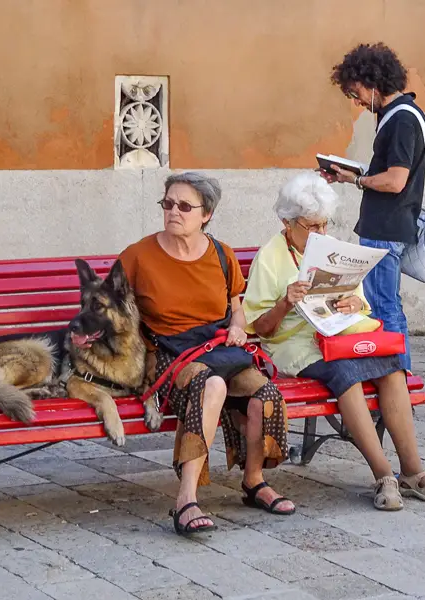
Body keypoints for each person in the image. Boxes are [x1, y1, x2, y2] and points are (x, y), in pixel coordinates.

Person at [243, 172, 425, 510]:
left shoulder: (329, 247)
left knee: (392, 368)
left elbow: (358, 300)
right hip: (295, 343)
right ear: (287, 222)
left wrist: (354, 303)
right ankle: (383, 474)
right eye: (312, 227)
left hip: (339, 335)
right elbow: (261, 329)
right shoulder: (270, 256)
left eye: (324, 225)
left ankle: (413, 471)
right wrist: (286, 302)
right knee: (347, 376)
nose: (321, 233)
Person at [119, 172, 295, 536]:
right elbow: (113, 311)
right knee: (210, 386)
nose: (173, 212)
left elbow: (237, 306)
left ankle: (254, 481)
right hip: (170, 353)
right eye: (168, 204)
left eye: (184, 206)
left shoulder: (221, 253)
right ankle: (185, 499)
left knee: (264, 393)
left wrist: (236, 326)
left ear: (206, 214)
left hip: (219, 348)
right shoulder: (137, 256)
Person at [320, 42, 425, 372]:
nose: (355, 101)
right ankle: (396, 382)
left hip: (385, 228)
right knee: (384, 305)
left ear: (373, 81)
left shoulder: (401, 121)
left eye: (356, 92)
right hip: (385, 225)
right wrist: (352, 174)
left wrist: (356, 181)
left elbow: (396, 181)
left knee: (383, 307)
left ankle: (397, 382)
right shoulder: (395, 116)